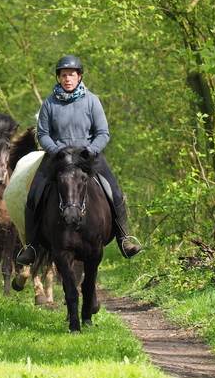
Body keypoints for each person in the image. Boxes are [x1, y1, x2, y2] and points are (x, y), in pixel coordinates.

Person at [16, 55, 143, 265]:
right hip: (57, 157)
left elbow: (103, 133)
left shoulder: (92, 100)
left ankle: (124, 239)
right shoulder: (49, 102)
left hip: (88, 157)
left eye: (71, 75)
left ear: (79, 77)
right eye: (63, 75)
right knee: (34, 195)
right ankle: (31, 246)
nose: (67, 79)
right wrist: (56, 150)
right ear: (59, 77)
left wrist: (90, 151)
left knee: (114, 190)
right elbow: (43, 134)